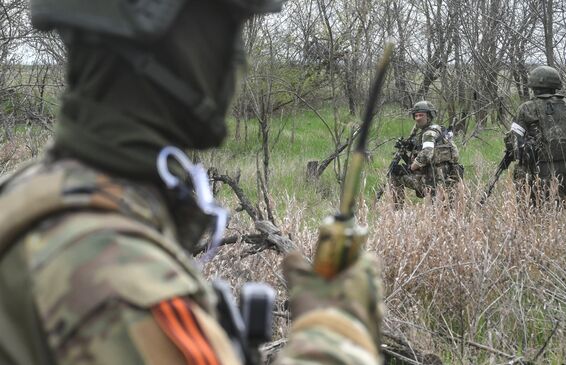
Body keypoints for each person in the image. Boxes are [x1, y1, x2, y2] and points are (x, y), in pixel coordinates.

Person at [0, 1, 383, 364]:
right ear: (170, 43)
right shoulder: (120, 284)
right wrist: (335, 331)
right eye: (226, 31)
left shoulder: (29, 194)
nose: (239, 63)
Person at [505, 65, 566, 206]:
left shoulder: (527, 108)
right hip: (565, 171)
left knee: (529, 214)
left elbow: (515, 145)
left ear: (534, 85)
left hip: (535, 171)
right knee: (557, 213)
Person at [389, 100, 463, 207]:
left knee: (395, 174)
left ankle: (397, 209)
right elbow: (452, 155)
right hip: (447, 178)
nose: (418, 118)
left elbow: (427, 154)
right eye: (416, 115)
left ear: (429, 116)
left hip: (430, 181)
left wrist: (410, 168)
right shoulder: (440, 130)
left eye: (421, 115)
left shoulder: (428, 134)